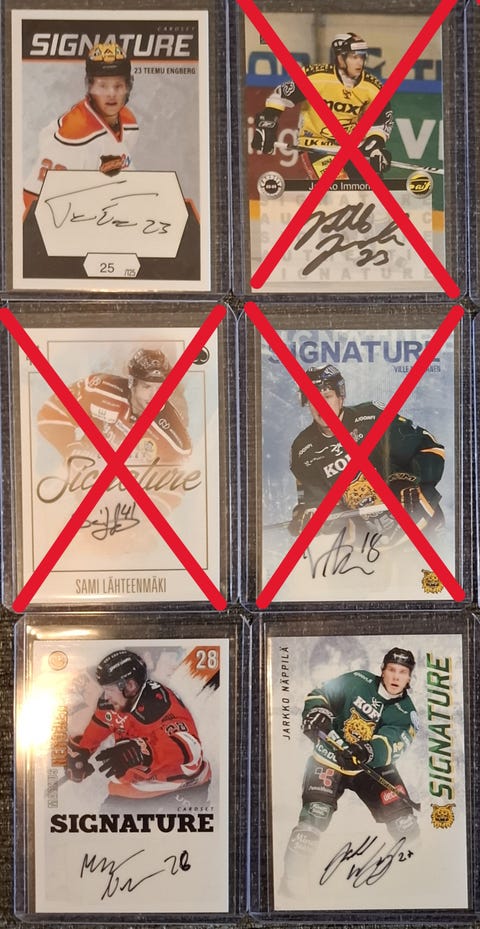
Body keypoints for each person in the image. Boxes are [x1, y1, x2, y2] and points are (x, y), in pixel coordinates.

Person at [281, 647, 419, 895]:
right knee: (313, 818)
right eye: (391, 669)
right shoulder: (358, 680)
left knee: (405, 823)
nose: (396, 677)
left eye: (402, 672)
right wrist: (317, 711)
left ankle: (419, 875)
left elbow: (392, 744)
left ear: (409, 677)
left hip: (371, 768)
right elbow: (321, 694)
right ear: (383, 670)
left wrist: (369, 750)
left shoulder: (406, 713)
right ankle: (293, 881)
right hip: (329, 759)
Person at [288, 364, 445, 542]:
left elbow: (429, 448)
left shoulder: (371, 417)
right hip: (370, 544)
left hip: (420, 526)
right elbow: (319, 505)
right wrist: (312, 518)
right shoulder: (303, 450)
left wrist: (418, 487)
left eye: (327, 396)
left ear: (341, 396)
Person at [66, 649, 211, 807]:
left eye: (110, 690)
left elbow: (192, 749)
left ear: (130, 686)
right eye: (104, 689)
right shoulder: (114, 702)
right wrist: (82, 752)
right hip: (133, 788)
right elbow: (102, 723)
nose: (106, 696)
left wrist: (143, 752)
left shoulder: (161, 705)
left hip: (180, 788)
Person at [252, 32, 393, 180]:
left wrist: (374, 144)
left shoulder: (371, 87)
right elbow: (280, 97)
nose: (360, 62)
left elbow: (382, 120)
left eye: (362, 56)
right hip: (316, 145)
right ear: (340, 58)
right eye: (354, 57)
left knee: (370, 187)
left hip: (353, 148)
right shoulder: (316, 78)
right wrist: (267, 123)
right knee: (339, 187)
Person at [23, 42, 138, 218]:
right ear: (89, 87)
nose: (111, 94)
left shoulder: (129, 122)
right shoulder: (74, 134)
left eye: (118, 86)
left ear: (128, 87)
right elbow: (33, 198)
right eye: (102, 86)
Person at [38, 346, 191, 467]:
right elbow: (52, 411)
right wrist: (69, 447)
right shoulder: (99, 388)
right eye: (147, 387)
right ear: (131, 383)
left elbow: (176, 483)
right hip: (81, 483)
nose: (155, 396)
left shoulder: (176, 439)